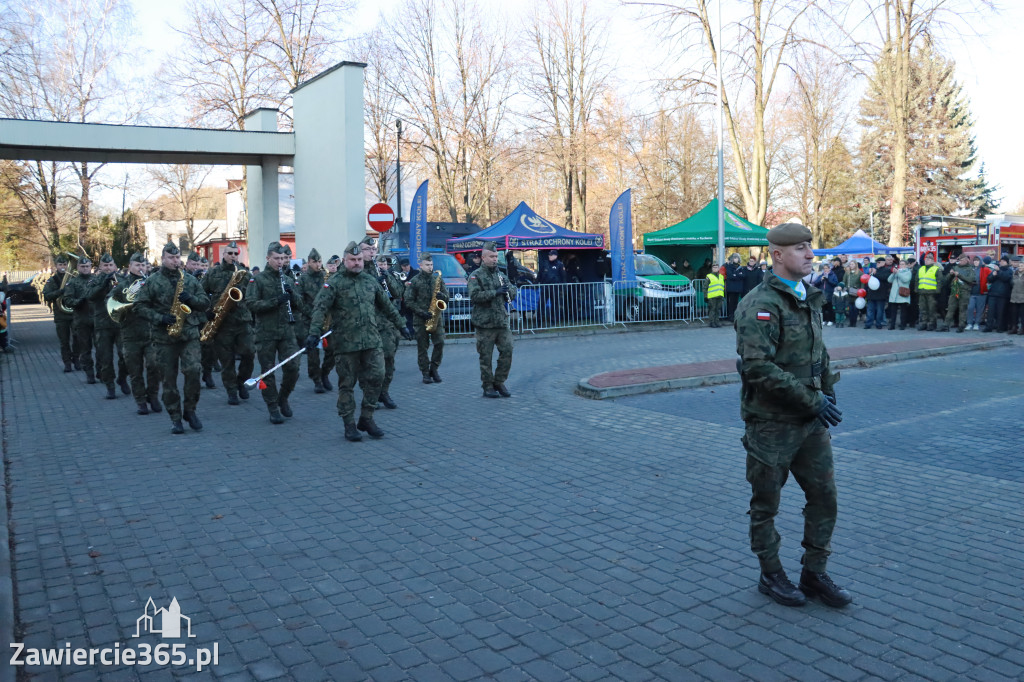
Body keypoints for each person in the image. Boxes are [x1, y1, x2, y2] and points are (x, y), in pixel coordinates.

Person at [734, 222, 850, 609]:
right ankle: (771, 574)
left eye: (809, 248)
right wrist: (812, 401)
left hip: (810, 422)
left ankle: (814, 573)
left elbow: (820, 353)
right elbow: (758, 369)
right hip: (772, 423)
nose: (810, 255)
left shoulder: (808, 296)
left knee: (824, 497)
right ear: (778, 255)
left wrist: (827, 390)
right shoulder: (760, 304)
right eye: (801, 248)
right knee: (766, 502)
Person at [306, 242, 411, 442]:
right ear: (345, 261)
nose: (356, 263)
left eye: (359, 260)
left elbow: (387, 306)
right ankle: (349, 424)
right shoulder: (334, 283)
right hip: (346, 344)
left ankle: (367, 418)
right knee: (347, 385)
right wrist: (313, 333)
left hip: (372, 340)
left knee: (377, 377)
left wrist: (402, 325)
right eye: (352, 260)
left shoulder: (370, 281)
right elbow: (320, 309)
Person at [133, 242, 210, 434]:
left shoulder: (190, 280)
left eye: (177, 258)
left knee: (193, 371)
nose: (175, 261)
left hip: (189, 334)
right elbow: (139, 306)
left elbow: (205, 303)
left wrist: (191, 300)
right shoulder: (152, 281)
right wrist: (160, 318)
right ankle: (175, 417)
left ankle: (190, 410)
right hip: (164, 337)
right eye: (171, 258)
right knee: (169, 380)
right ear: (163, 259)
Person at [245, 242, 301, 424]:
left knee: (293, 368)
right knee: (267, 372)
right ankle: (273, 408)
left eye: (282, 259)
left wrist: (293, 295)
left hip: (287, 331)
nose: (280, 262)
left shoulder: (288, 279)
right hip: (265, 333)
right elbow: (251, 304)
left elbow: (301, 306)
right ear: (268, 258)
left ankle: (283, 398)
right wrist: (275, 301)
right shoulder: (258, 280)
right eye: (276, 258)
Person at [202, 241, 256, 405]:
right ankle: (231, 391)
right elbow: (201, 292)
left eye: (235, 253)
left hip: (242, 320)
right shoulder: (213, 273)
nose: (233, 256)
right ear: (223, 254)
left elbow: (253, 294)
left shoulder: (244, 273)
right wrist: (207, 310)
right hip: (222, 323)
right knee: (227, 361)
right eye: (230, 253)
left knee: (249, 354)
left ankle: (241, 382)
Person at [111, 253, 162, 414]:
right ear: (130, 266)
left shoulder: (151, 283)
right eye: (137, 265)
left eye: (143, 265)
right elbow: (112, 305)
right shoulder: (121, 285)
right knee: (135, 371)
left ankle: (152, 396)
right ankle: (140, 401)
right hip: (130, 334)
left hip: (150, 332)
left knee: (155, 366)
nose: (140, 268)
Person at [468, 242, 518, 398]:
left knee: (508, 350)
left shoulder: (501, 275)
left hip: (501, 321)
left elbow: (512, 289)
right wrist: (494, 292)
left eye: (496, 256)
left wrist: (509, 291)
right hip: (485, 323)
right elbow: (474, 296)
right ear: (483, 257)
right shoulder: (476, 275)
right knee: (486, 357)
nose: (495, 259)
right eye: (492, 256)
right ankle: (487, 385)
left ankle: (499, 381)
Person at [360, 238, 404, 409]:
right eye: (367, 249)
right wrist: (373, 285)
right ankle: (369, 394)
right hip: (368, 323)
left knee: (389, 359)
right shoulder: (357, 269)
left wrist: (387, 278)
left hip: (386, 323)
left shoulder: (380, 269)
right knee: (368, 362)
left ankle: (383, 392)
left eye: (373, 249)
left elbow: (399, 292)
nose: (371, 252)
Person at [86, 254, 131, 399]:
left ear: (115, 267)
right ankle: (110, 386)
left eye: (111, 265)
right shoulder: (94, 280)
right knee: (105, 358)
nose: (108, 268)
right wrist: (103, 283)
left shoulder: (123, 279)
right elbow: (90, 296)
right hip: (102, 324)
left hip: (120, 323)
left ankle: (122, 378)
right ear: (100, 267)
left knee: (125, 355)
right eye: (105, 265)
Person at [404, 253, 449, 383]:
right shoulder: (415, 281)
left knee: (440, 343)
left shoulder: (437, 279)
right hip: (420, 319)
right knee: (422, 347)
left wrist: (442, 297)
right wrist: (421, 312)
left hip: (436, 317)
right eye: (427, 265)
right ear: (421, 265)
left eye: (431, 265)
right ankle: (425, 372)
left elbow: (447, 296)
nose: (430, 267)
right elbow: (408, 300)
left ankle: (434, 369)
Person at [59, 256, 98, 383]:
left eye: (87, 266)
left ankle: (102, 372)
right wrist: (78, 302)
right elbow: (67, 300)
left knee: (101, 349)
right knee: (85, 349)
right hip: (82, 320)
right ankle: (89, 373)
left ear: (91, 267)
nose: (85, 269)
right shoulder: (73, 283)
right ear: (78, 268)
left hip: (98, 320)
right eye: (82, 267)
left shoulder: (97, 280)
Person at [298, 248, 329, 393]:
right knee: (313, 354)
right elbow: (299, 301)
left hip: (326, 320)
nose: (317, 264)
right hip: (309, 321)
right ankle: (316, 380)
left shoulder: (325, 276)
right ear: (309, 262)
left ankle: (325, 374)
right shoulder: (303, 279)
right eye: (314, 262)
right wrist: (312, 314)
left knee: (332, 351)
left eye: (319, 261)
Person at [42, 255, 76, 371]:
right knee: (64, 341)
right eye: (60, 265)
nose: (63, 267)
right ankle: (67, 363)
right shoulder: (52, 280)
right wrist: (60, 291)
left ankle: (76, 359)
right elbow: (46, 295)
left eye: (65, 264)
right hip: (61, 315)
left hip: (74, 313)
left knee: (78, 339)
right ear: (56, 266)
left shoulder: (73, 278)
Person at [940, 253, 976, 332]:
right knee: (950, 308)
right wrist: (950, 274)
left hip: (964, 291)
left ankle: (961, 326)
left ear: (966, 260)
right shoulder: (955, 267)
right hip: (954, 290)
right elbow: (946, 280)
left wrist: (959, 275)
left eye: (961, 260)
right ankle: (946, 325)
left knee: (962, 309)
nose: (960, 262)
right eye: (959, 260)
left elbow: (970, 280)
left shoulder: (970, 269)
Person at [983, 257, 1013, 332]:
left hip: (1003, 295)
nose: (1001, 262)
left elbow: (1005, 278)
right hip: (992, 293)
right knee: (990, 312)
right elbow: (989, 279)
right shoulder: (995, 269)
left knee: (1001, 312)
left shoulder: (1009, 270)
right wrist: (993, 275)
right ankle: (988, 327)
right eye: (1001, 261)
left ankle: (1000, 327)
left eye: (1003, 261)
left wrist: (998, 272)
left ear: (1007, 262)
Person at [916, 254, 944, 331]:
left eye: (928, 259)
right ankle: (924, 323)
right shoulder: (921, 268)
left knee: (931, 309)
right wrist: (917, 289)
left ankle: (932, 324)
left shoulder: (936, 269)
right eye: (926, 259)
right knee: (923, 309)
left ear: (932, 261)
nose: (926, 261)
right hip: (922, 292)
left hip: (931, 293)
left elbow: (940, 281)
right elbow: (917, 280)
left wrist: (937, 291)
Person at [538, 250, 567, 326]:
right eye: (549, 255)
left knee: (555, 305)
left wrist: (563, 287)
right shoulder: (545, 263)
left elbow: (563, 276)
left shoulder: (559, 264)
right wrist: (536, 282)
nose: (549, 256)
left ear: (555, 256)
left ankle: (554, 320)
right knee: (541, 304)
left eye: (551, 255)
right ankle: (539, 321)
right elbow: (540, 274)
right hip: (545, 287)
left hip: (555, 288)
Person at [864, 256, 890, 329]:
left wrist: (875, 273)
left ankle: (879, 324)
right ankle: (868, 323)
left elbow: (884, 278)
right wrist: (871, 273)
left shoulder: (886, 270)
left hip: (881, 293)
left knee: (880, 310)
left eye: (879, 262)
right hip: (872, 293)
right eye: (876, 262)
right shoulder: (875, 270)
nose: (877, 264)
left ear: (883, 263)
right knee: (870, 309)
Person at [886, 259, 913, 330]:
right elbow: (889, 280)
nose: (901, 266)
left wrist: (898, 273)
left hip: (902, 293)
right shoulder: (897, 272)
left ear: (906, 265)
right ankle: (892, 325)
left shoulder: (908, 272)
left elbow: (905, 280)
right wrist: (893, 273)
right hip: (894, 294)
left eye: (903, 264)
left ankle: (902, 324)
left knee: (903, 311)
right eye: (900, 264)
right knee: (893, 311)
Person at [965, 256, 985, 331]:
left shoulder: (984, 269)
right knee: (970, 308)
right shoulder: (971, 269)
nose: (976, 262)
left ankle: (977, 323)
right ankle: (969, 323)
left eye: (977, 260)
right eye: (975, 261)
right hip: (971, 292)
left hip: (981, 293)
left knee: (979, 309)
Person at [842, 261, 862, 328]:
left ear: (856, 265)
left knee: (855, 309)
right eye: (850, 264)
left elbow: (862, 284)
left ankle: (854, 322)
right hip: (849, 293)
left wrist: (861, 292)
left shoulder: (860, 273)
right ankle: (851, 322)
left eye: (852, 264)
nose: (851, 265)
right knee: (850, 309)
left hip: (857, 293)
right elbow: (844, 282)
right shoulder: (847, 273)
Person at [725, 254, 745, 320]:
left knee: (736, 302)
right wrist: (738, 275)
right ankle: (730, 316)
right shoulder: (729, 266)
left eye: (737, 258)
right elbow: (730, 276)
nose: (736, 259)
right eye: (734, 258)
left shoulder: (740, 267)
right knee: (731, 303)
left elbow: (743, 276)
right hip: (731, 288)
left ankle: (735, 315)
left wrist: (735, 275)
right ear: (732, 259)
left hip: (737, 288)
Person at [705, 262, 725, 327]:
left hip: (719, 295)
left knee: (717, 310)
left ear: (718, 268)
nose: (715, 268)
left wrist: (723, 295)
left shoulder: (721, 277)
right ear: (712, 268)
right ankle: (712, 322)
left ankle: (717, 321)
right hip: (712, 296)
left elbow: (722, 286)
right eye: (714, 267)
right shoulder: (709, 276)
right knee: (712, 310)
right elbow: (705, 287)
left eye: (716, 267)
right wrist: (705, 296)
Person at [1007, 259, 1024, 334]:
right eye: (1019, 266)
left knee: (1022, 315)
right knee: (1014, 314)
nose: (1020, 267)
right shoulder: (1015, 274)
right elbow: (1011, 284)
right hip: (1014, 297)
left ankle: (1022, 329)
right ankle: (1014, 328)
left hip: (1023, 297)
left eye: (1021, 266)